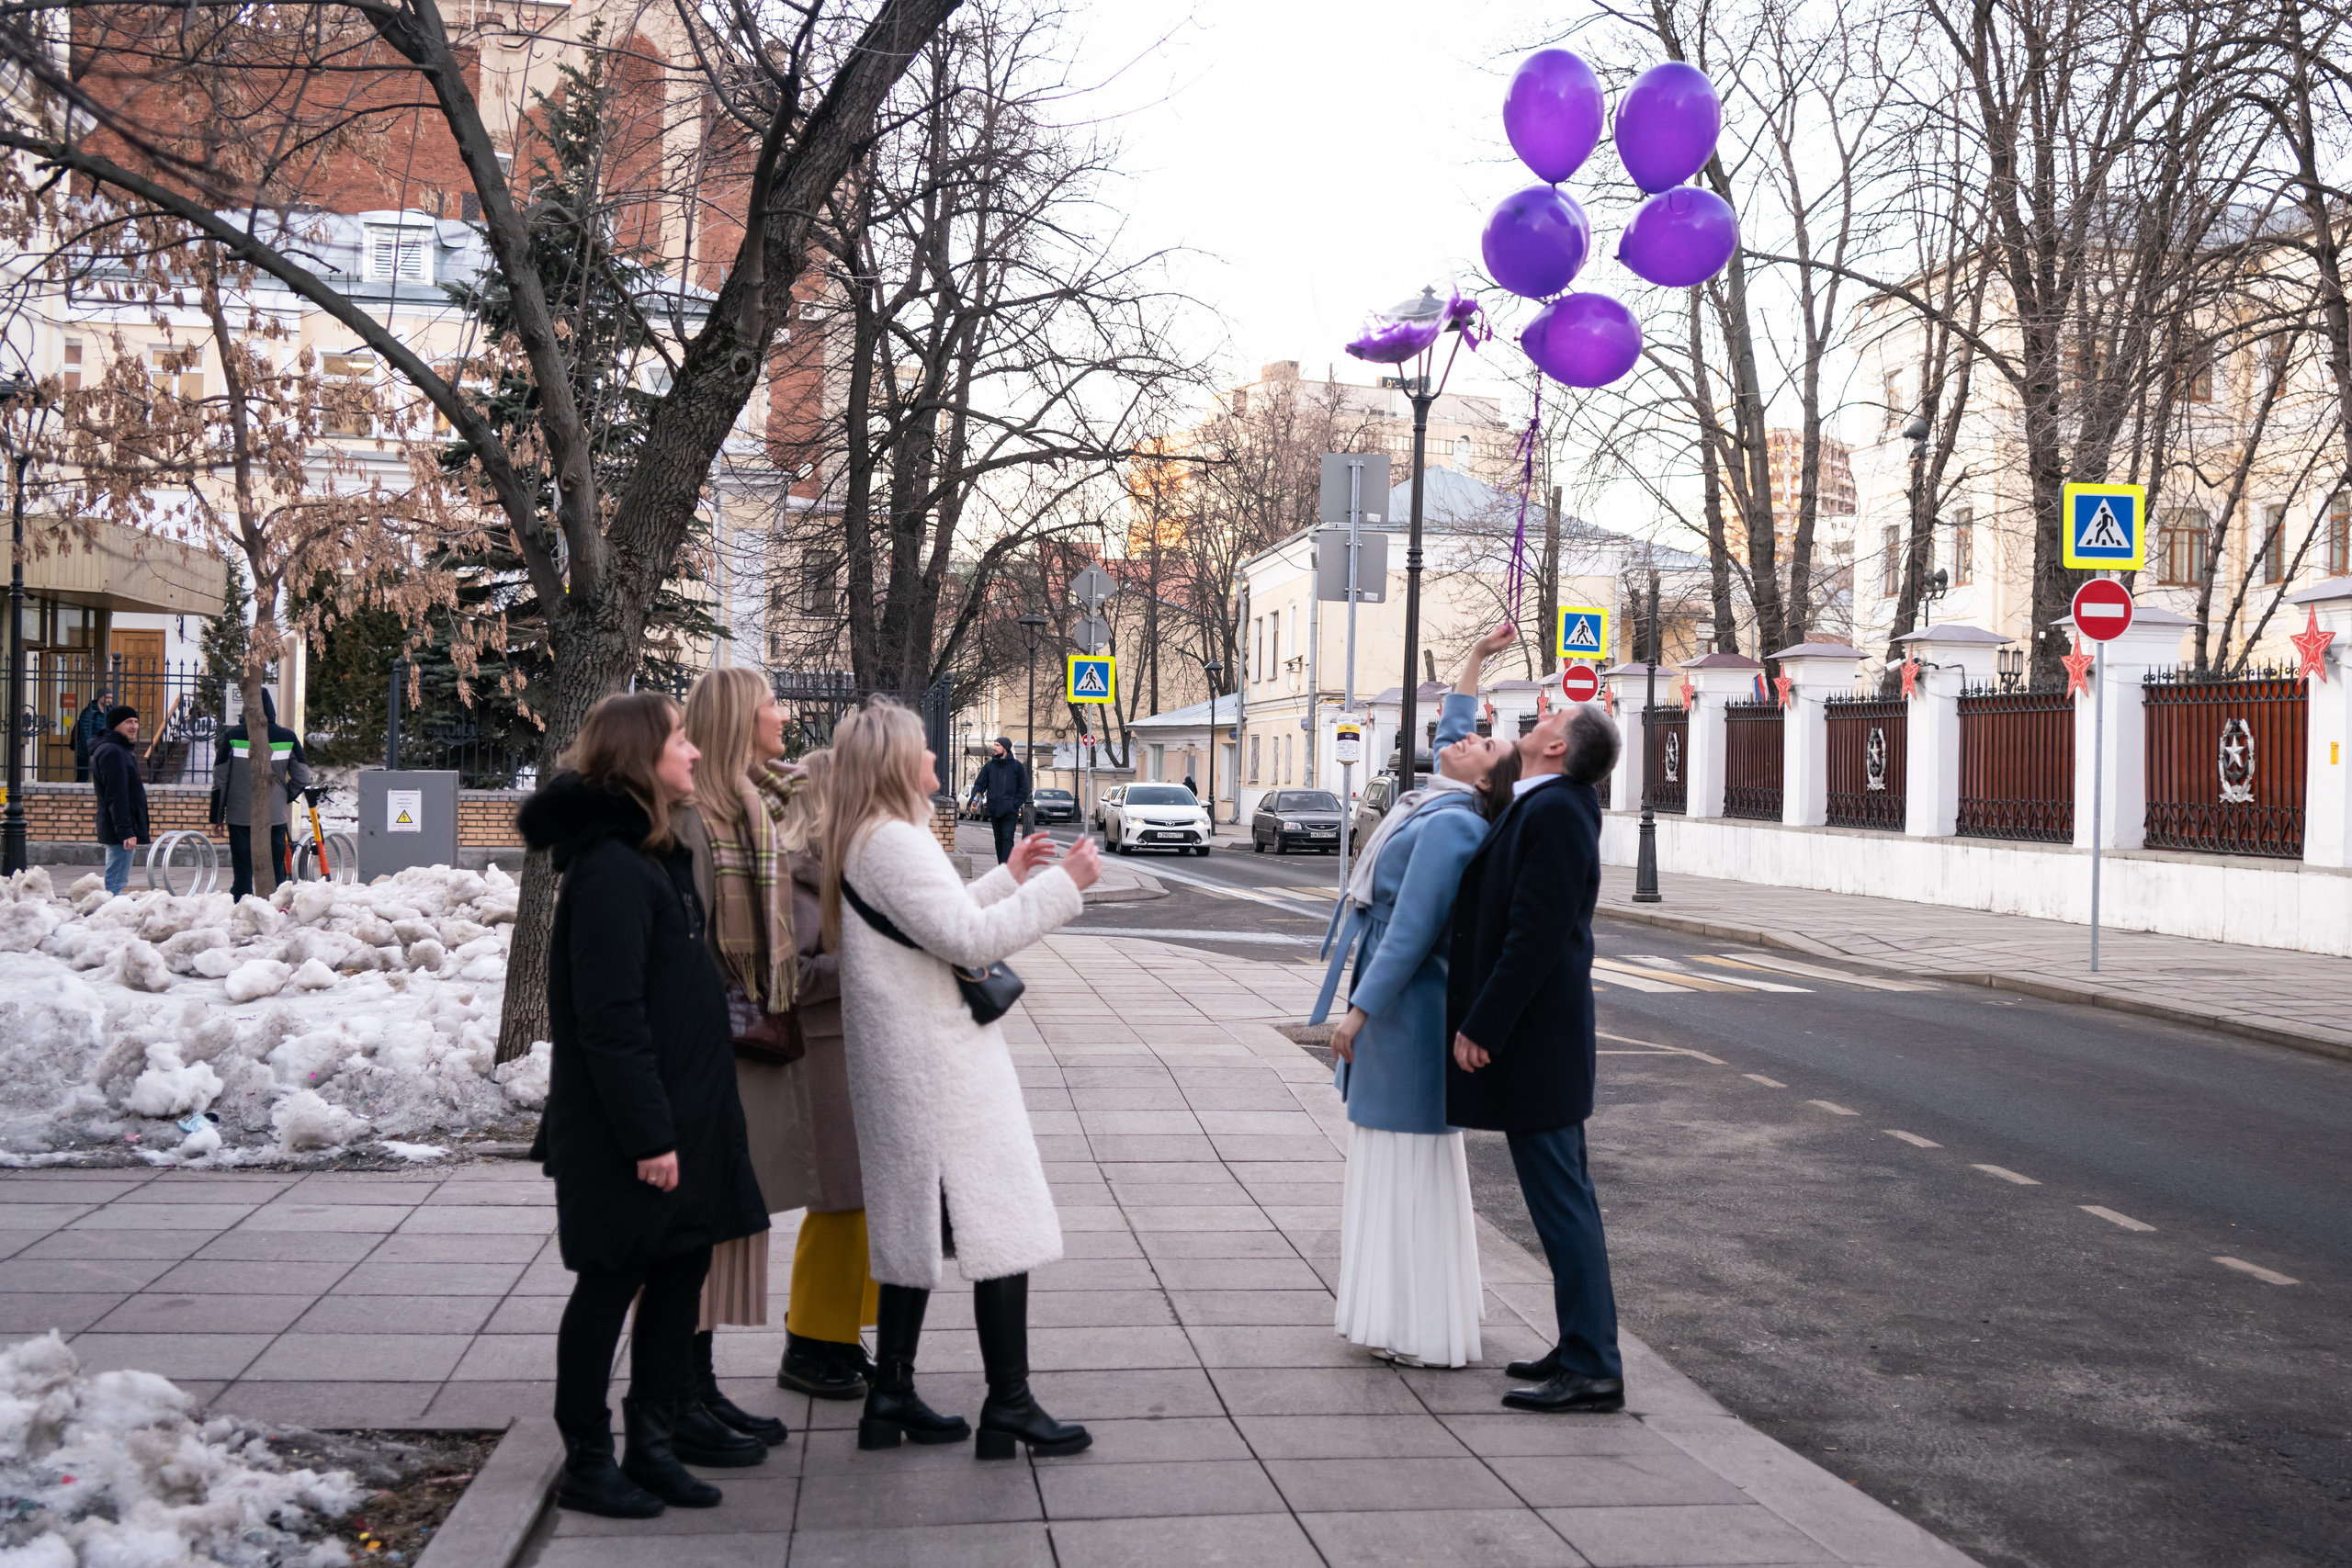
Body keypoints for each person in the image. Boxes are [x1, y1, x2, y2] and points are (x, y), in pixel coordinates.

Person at [822, 699, 1102, 1458]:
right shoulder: (893, 839)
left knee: (917, 1229)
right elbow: (968, 938)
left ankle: (891, 1395)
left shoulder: (873, 836)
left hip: (913, 1060)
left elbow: (934, 921)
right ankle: (1007, 1401)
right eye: (924, 750)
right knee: (997, 1221)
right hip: (938, 1063)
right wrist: (1063, 885)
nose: (937, 762)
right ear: (892, 763)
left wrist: (1009, 877)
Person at [517, 693, 773, 1518]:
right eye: (679, 740)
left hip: (684, 1115)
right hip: (632, 1132)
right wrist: (649, 1137)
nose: (695, 752)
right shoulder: (611, 872)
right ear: (640, 757)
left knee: (678, 1275)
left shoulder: (649, 854)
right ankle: (590, 1457)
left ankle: (653, 1442)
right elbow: (609, 1020)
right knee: (610, 1285)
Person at [1308, 624, 1520, 1369]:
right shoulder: (1442, 802)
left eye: (1484, 745)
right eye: (1475, 734)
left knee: (1404, 1166)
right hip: (1405, 1014)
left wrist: (1356, 1012)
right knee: (1399, 1163)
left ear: (1485, 781)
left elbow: (1410, 931)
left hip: (1409, 1017)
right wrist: (1475, 661)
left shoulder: (1452, 826)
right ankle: (1404, 1316)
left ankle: (1415, 1324)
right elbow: (1454, 732)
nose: (1467, 738)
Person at [1444, 699, 1624, 1413]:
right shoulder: (1545, 803)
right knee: (1563, 1200)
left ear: (1556, 746)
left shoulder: (1559, 811)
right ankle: (1581, 1342)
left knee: (1562, 1205)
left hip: (1537, 1046)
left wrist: (1482, 1025)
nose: (1539, 715)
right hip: (1543, 1046)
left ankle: (1592, 1364)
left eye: (1552, 715)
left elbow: (1535, 936)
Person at [672, 667, 808, 1462]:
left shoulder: (756, 804)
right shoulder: (697, 818)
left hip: (744, 1041)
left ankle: (705, 1386)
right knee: (704, 1226)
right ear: (738, 721)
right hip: (713, 1046)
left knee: (732, 1226)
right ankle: (682, 1391)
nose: (784, 716)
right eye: (772, 706)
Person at [775, 749, 883, 1399]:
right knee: (838, 1201)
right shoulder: (790, 879)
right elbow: (788, 976)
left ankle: (836, 1334)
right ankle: (809, 1342)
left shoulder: (842, 874)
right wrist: (866, 964)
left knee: (859, 1202)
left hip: (853, 1052)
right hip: (819, 1054)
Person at [209, 689, 311, 897]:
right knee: (275, 869)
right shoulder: (288, 737)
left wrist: (217, 817)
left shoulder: (232, 736)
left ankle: (243, 908)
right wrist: (283, 796)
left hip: (240, 817)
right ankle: (273, 908)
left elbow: (220, 780)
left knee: (242, 870)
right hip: (273, 816)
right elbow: (302, 777)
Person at [89, 705, 150, 897]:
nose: (134, 726)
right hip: (119, 831)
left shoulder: (118, 749)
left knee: (115, 881)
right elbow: (117, 795)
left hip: (119, 828)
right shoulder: (113, 752)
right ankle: (103, 919)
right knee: (114, 885)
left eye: (136, 721)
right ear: (116, 726)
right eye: (128, 722)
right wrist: (126, 832)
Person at [966, 737, 1030, 863]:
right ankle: (1001, 865)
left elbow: (1025, 789)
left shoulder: (1017, 766)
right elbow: (980, 785)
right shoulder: (989, 766)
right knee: (998, 840)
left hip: (1010, 811)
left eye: (997, 745)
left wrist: (1014, 804)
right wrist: (975, 800)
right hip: (994, 810)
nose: (994, 748)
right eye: (994, 745)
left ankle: (1006, 867)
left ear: (1005, 748)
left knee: (1007, 838)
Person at [73, 691, 112, 784]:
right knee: (83, 778)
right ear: (99, 697)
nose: (109, 700)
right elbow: (85, 734)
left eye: (111, 698)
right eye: (107, 697)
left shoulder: (110, 712)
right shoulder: (89, 712)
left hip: (103, 750)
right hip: (86, 752)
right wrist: (90, 753)